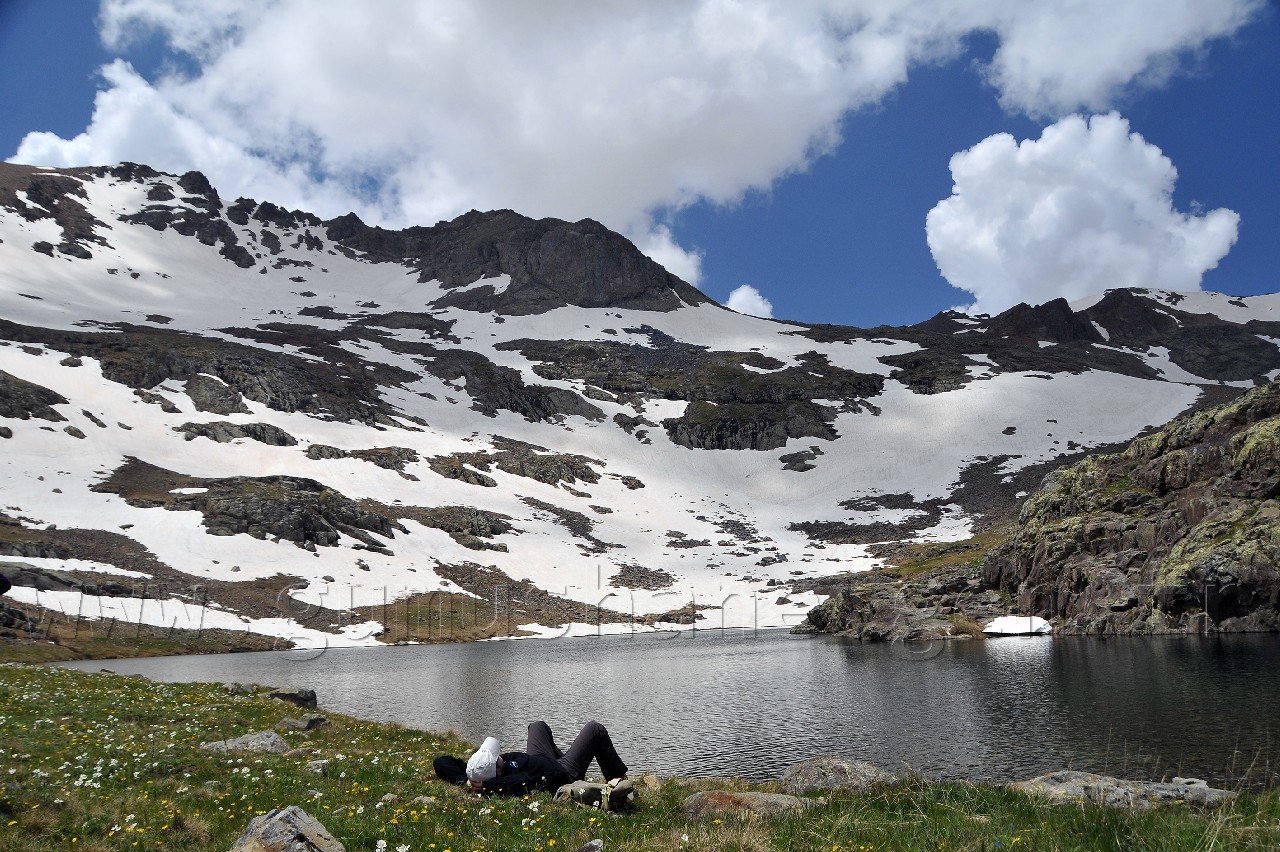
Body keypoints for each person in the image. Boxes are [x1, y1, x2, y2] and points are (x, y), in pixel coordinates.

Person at [433, 720, 628, 797]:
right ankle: (619, 781)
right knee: (595, 730)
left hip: (539, 757)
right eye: (497, 760)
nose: (499, 756)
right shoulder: (512, 781)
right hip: (563, 771)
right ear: (497, 772)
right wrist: (487, 787)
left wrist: (464, 780)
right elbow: (519, 781)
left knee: (537, 726)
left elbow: (440, 762)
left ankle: (571, 754)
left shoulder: (477, 770)